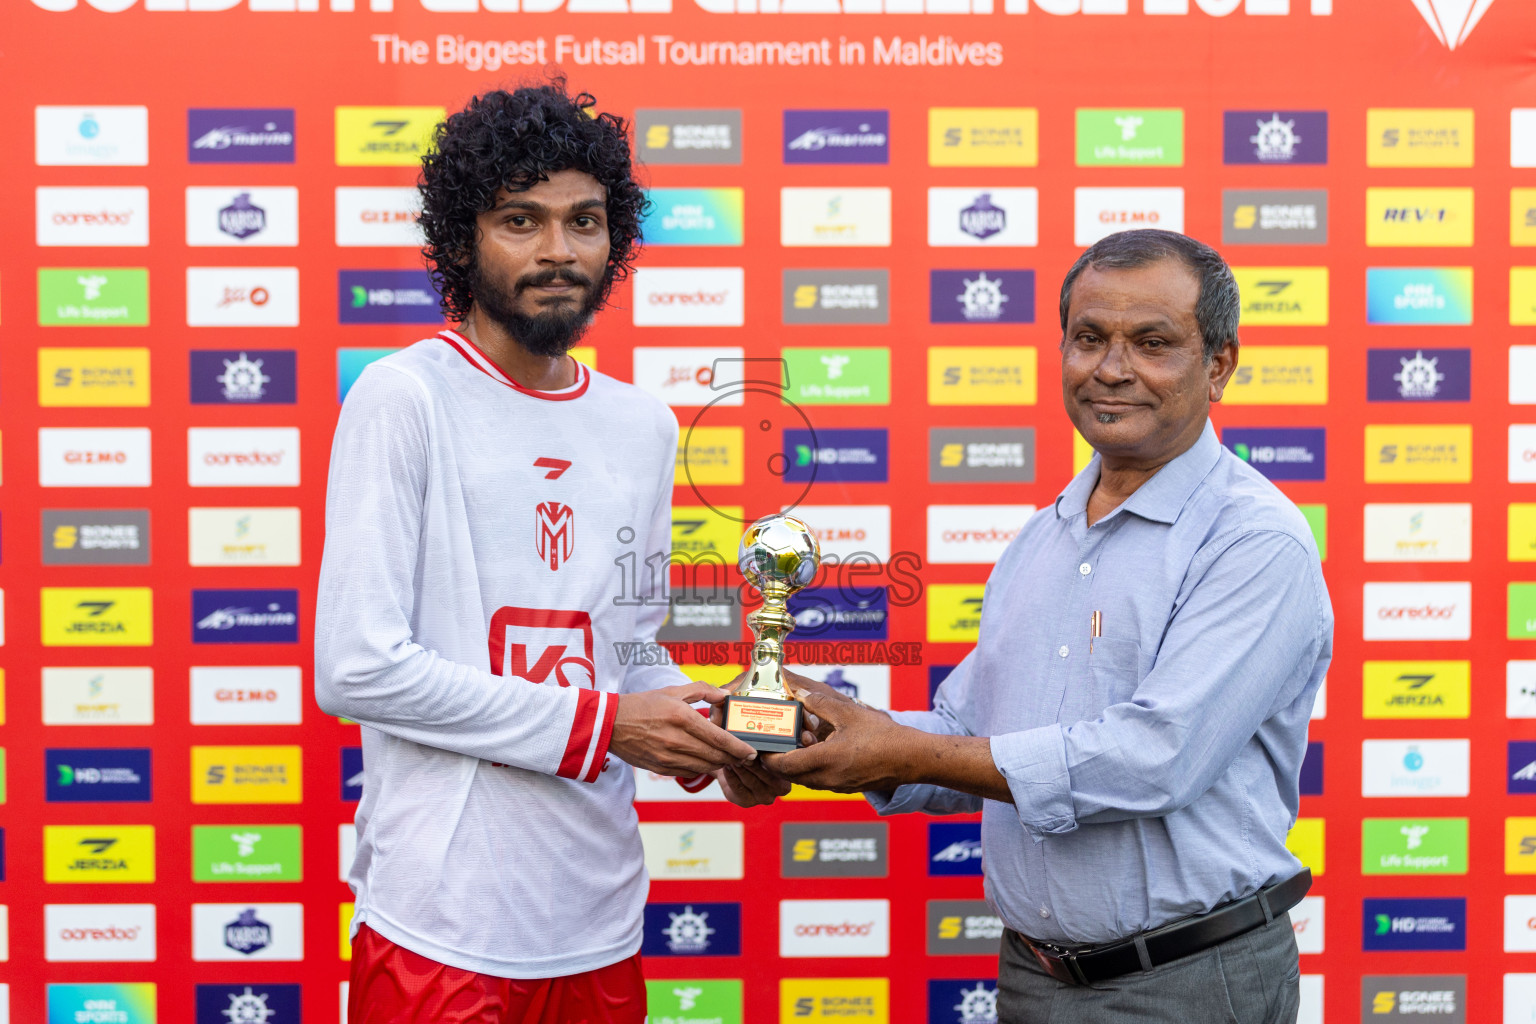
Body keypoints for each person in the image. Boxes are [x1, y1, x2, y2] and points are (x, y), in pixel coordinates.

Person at [769, 229, 1333, 1023]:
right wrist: (813, 731)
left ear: (1219, 366)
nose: (1111, 368)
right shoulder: (1044, 537)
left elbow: (1155, 760)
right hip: (1033, 979)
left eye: (1153, 343)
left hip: (1187, 984)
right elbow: (966, 733)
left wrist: (894, 746)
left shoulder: (1251, 541)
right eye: (1089, 338)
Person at [315, 82, 781, 1024]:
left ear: (617, 243)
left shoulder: (643, 423)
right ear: (460, 240)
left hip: (598, 913)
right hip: (442, 925)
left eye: (585, 222)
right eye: (520, 221)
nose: (559, 251)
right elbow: (357, 669)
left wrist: (709, 730)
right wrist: (609, 726)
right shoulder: (403, 398)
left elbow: (625, 649)